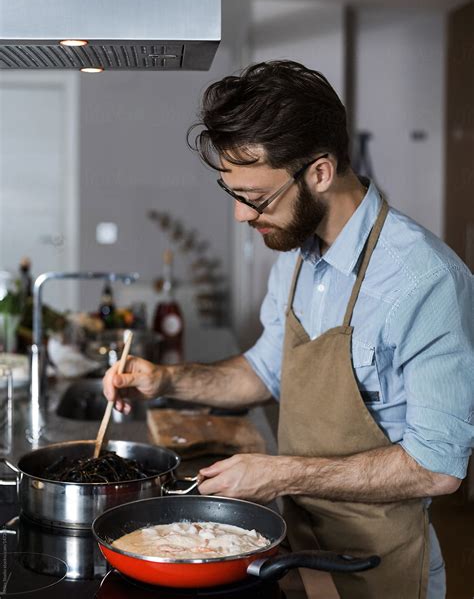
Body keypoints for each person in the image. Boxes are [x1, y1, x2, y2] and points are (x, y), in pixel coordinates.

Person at [103, 61, 474, 599]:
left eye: (255, 197)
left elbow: (438, 468)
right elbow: (263, 372)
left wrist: (280, 474)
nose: (239, 215)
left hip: (380, 566)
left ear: (319, 173)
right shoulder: (298, 255)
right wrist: (167, 380)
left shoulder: (425, 281)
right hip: (297, 547)